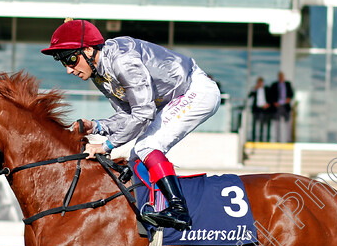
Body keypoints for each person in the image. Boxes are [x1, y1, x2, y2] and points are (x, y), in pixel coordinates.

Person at [41, 18, 221, 230]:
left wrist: (106, 145)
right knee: (137, 155)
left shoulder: (122, 62)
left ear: (89, 50)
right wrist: (96, 126)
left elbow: (143, 114)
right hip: (173, 98)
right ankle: (153, 210)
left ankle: (178, 209)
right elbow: (129, 115)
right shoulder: (98, 74)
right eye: (63, 63)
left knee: (148, 147)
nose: (69, 70)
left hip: (195, 90)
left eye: (70, 60)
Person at [266, 71, 294, 143]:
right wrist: (274, 102)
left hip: (285, 106)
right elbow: (270, 95)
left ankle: (288, 139)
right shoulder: (274, 85)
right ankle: (278, 140)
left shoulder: (288, 84)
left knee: (288, 123)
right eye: (280, 76)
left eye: (282, 76)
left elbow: (291, 93)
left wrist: (289, 98)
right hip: (277, 106)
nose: (281, 78)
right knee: (277, 124)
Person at [248, 77, 271, 142]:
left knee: (262, 125)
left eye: (260, 82)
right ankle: (254, 139)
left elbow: (270, 98)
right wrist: (254, 89)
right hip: (256, 109)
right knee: (254, 125)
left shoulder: (266, 89)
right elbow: (249, 96)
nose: (260, 84)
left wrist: (267, 104)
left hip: (264, 109)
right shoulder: (255, 89)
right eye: (258, 82)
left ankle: (262, 140)